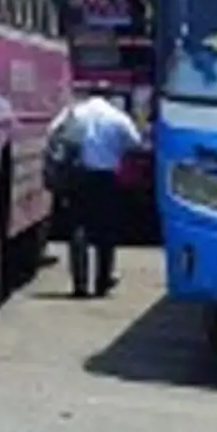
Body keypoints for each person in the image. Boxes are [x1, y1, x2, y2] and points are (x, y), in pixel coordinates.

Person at [49, 91, 141, 297]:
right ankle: (102, 281)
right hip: (106, 178)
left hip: (78, 175)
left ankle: (79, 284)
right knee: (106, 230)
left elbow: (53, 132)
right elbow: (135, 142)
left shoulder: (74, 113)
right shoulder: (117, 117)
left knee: (78, 227)